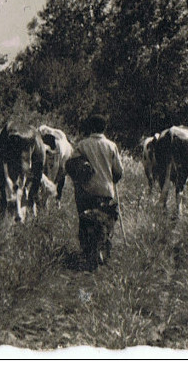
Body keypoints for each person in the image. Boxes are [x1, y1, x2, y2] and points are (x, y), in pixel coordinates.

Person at [66, 114, 123, 270]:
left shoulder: (82, 145)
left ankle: (87, 252)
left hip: (86, 192)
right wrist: (113, 178)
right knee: (106, 222)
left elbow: (71, 165)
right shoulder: (111, 146)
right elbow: (118, 172)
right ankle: (104, 251)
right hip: (106, 192)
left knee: (85, 221)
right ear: (104, 128)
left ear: (90, 128)